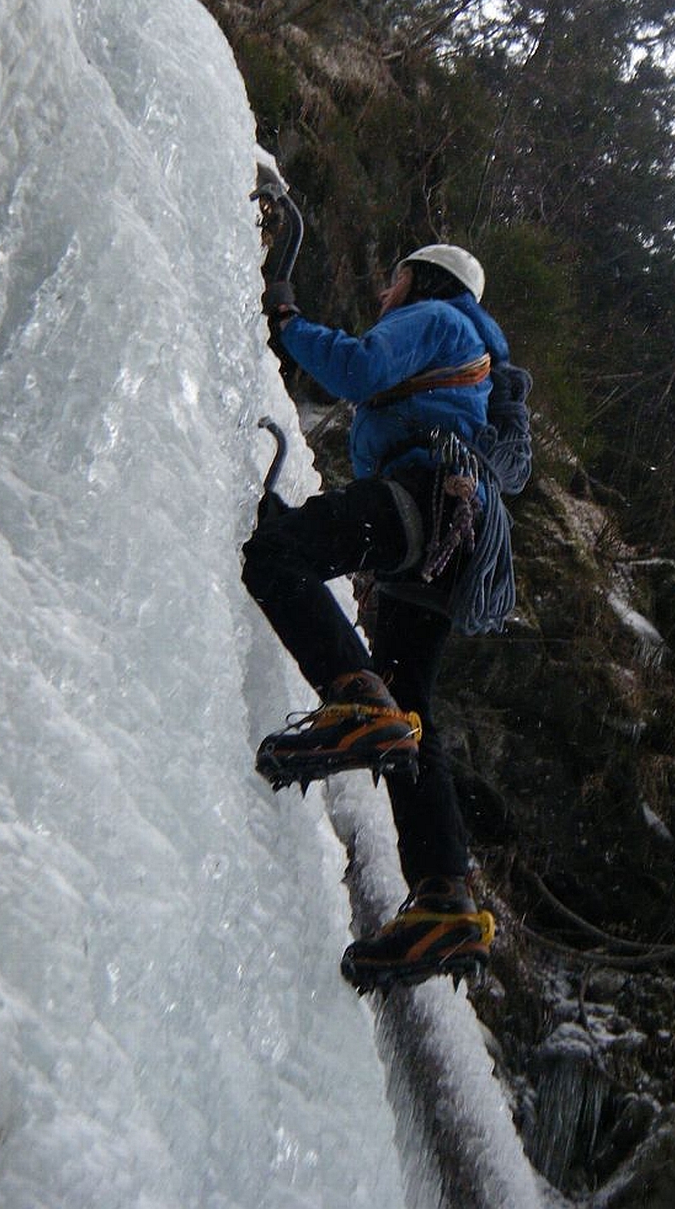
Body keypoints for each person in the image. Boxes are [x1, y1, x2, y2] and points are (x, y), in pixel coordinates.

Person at [241, 244, 528, 993]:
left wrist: (286, 320)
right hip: (452, 533)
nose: (384, 288)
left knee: (275, 555)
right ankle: (444, 894)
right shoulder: (480, 363)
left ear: (427, 279)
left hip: (425, 497)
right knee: (411, 708)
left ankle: (352, 698)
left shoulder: (438, 316)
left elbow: (359, 368)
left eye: (394, 275)